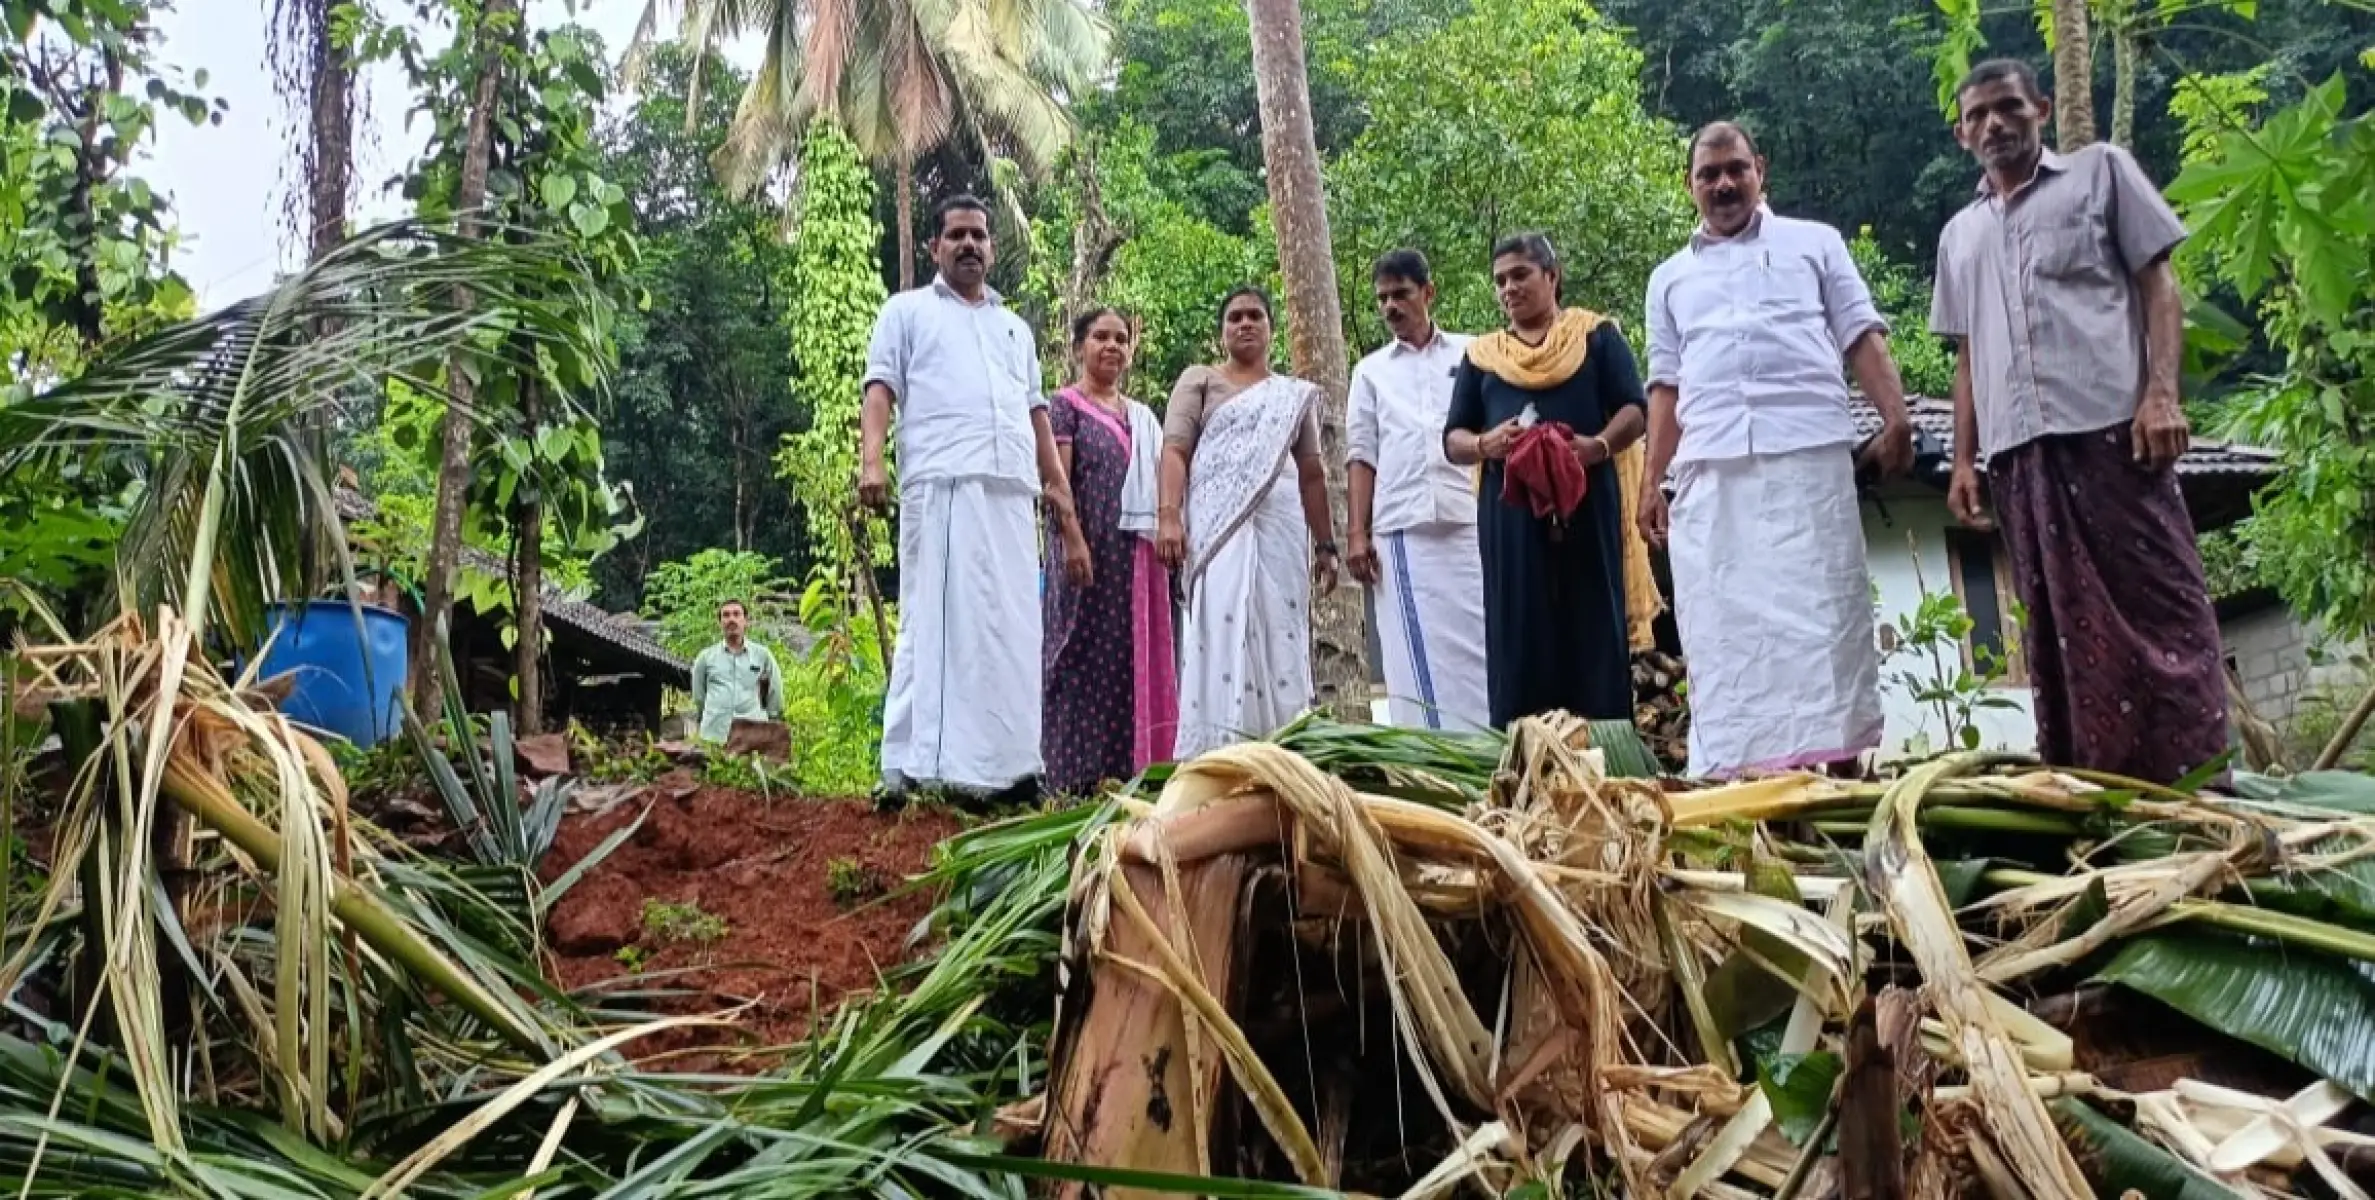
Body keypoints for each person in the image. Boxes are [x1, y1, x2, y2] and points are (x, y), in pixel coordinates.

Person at [1932, 59, 2228, 784]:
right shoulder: (1959, 235)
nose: (1994, 125)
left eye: (2007, 108)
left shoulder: (2101, 173)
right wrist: (1963, 459)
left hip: (2111, 435)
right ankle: (2093, 787)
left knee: (2162, 609)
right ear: (1960, 133)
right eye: (1978, 116)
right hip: (2016, 458)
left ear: (2039, 108)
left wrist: (2161, 394)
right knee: (2060, 628)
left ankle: (2199, 786)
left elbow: (2157, 281)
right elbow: (1968, 353)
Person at [1639, 122, 1917, 778]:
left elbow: (1859, 335)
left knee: (1827, 621)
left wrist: (1897, 419)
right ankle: (1757, 801)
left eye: (1735, 168)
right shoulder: (1668, 278)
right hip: (1710, 472)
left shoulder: (1814, 244)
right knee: (1728, 636)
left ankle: (1844, 785)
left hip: (1808, 460)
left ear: (1759, 169)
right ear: (1689, 186)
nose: (1723, 184)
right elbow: (1665, 384)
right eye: (1707, 175)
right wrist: (1651, 480)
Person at [859, 194, 1082, 804]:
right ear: (935, 247)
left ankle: (1015, 769)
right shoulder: (906, 312)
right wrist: (871, 461)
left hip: (1011, 491)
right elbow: (880, 388)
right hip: (944, 480)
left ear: (991, 246)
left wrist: (1059, 495)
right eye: (956, 235)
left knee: (1013, 629)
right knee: (933, 622)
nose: (970, 245)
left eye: (979, 236)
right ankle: (905, 768)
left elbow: (1036, 415)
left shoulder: (1013, 329)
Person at [1445, 233, 1648, 727]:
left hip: (1587, 500)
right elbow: (1453, 438)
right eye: (1500, 281)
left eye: (1520, 275)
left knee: (1594, 625)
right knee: (1517, 628)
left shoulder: (1595, 337)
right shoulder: (1483, 356)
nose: (1508, 288)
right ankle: (1525, 766)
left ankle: (1606, 761)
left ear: (1552, 276)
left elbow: (1635, 410)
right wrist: (1485, 444)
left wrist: (1595, 447)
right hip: (1510, 514)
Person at [1158, 286, 1342, 758]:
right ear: (1222, 332)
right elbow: (1176, 451)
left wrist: (1326, 545)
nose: (1244, 324)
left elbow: (1313, 474)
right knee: (1222, 622)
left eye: (1255, 316)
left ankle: (1284, 750)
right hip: (1219, 527)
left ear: (1270, 329)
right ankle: (1219, 750)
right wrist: (1168, 518)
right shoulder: (1199, 380)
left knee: (1280, 626)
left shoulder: (1291, 397)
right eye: (1235, 317)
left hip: (1281, 524)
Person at [1346, 250, 1491, 733]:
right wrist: (1356, 534)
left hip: (1471, 518)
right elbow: (1361, 454)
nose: (1390, 305)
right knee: (1414, 653)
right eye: (1382, 298)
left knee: (1482, 639)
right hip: (1402, 527)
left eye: (1401, 293)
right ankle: (1434, 761)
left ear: (1428, 292)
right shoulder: (1370, 371)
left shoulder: (1476, 353)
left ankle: (1492, 750)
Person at [1042, 307, 1179, 793]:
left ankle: (1128, 778)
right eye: (1101, 336)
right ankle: (1069, 782)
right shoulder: (1065, 407)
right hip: (1084, 555)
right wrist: (1073, 539)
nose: (1112, 346)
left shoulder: (1141, 418)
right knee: (1074, 658)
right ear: (1081, 345)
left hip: (1133, 567)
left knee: (1126, 662)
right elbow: (1057, 482)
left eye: (1121, 338)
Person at [690, 599, 783, 742]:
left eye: (736, 614)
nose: (731, 619)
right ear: (719, 622)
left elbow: (774, 691)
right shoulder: (705, 657)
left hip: (752, 736)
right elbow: (699, 696)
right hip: (714, 735)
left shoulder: (762, 655)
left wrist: (772, 720)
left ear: (746, 621)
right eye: (726, 615)